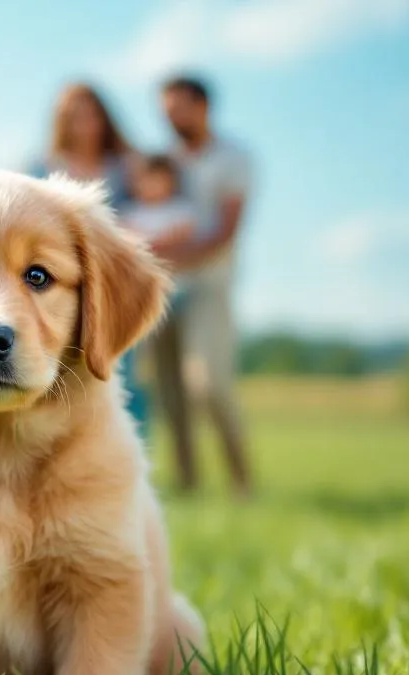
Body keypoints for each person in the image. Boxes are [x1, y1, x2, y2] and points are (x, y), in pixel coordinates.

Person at [152, 74, 254, 499]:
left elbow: (226, 231)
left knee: (207, 383)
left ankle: (241, 481)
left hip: (209, 286)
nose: (170, 117)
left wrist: (171, 256)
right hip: (163, 291)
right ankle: (188, 484)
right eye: (165, 110)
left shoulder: (233, 158)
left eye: (177, 108)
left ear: (202, 106)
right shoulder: (164, 162)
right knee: (170, 393)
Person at [29, 82, 150, 434]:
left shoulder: (126, 166)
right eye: (72, 114)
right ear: (60, 121)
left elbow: (152, 206)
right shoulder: (41, 167)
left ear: (103, 118)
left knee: (128, 372)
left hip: (115, 282)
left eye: (89, 113)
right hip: (61, 287)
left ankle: (134, 442)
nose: (82, 121)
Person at [120, 154, 196, 255]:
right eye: (145, 180)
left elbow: (183, 233)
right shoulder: (129, 212)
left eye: (157, 180)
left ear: (171, 182)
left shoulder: (181, 209)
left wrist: (159, 244)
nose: (151, 186)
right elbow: (128, 235)